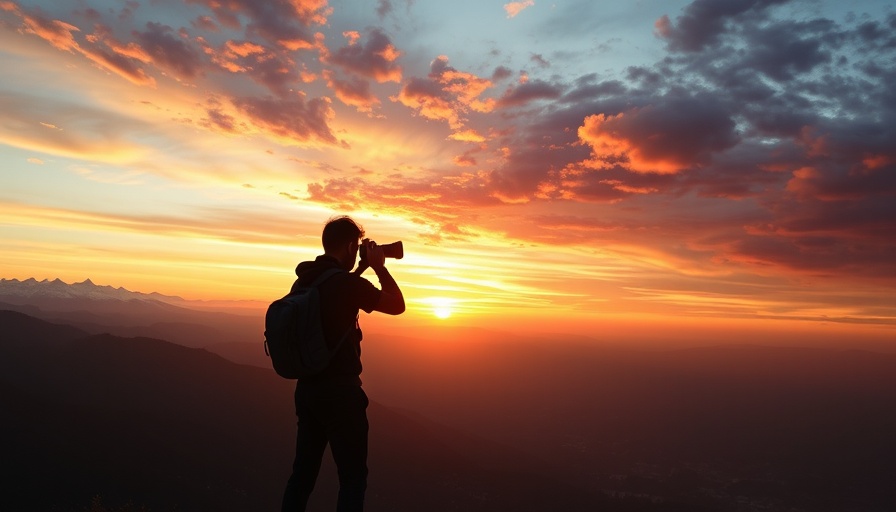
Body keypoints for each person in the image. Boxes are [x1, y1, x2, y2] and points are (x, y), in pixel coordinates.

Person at [281, 215, 405, 512]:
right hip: (341, 395)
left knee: (302, 475)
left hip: (307, 392)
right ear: (352, 246)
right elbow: (397, 305)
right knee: (352, 479)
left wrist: (361, 267)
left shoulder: (304, 280)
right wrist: (379, 268)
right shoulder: (347, 285)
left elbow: (337, 292)